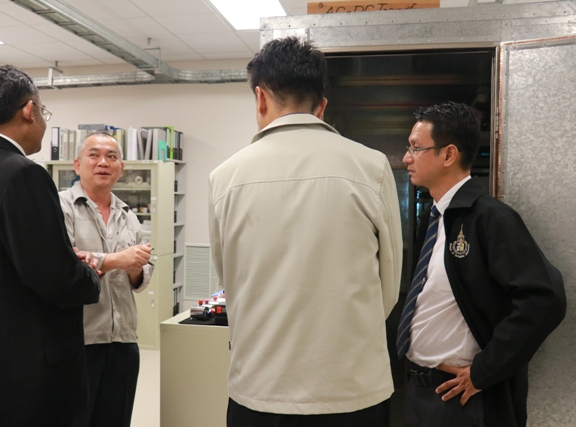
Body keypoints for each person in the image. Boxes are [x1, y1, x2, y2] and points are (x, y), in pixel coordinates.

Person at [209, 37, 403, 426]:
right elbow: (389, 286)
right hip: (352, 389)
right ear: (322, 106)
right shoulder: (372, 167)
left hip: (259, 387)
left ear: (260, 98)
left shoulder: (225, 177)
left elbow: (228, 277)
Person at [0, 65, 102, 427]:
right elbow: (56, 280)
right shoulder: (23, 173)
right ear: (29, 110)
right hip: (33, 379)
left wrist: (57, 257)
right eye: (43, 111)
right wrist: (87, 272)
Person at [397, 101, 566, 427]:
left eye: (416, 148)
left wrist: (483, 371)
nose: (407, 158)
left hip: (463, 398)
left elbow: (545, 299)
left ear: (448, 155)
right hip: (420, 392)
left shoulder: (490, 218)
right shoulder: (435, 218)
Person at [58, 132, 153, 427]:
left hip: (123, 339)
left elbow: (143, 273)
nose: (103, 163)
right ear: (77, 164)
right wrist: (118, 260)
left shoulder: (128, 216)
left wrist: (135, 267)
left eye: (111, 157)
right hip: (80, 341)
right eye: (94, 155)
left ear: (121, 169)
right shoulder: (60, 207)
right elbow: (64, 265)